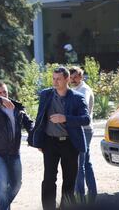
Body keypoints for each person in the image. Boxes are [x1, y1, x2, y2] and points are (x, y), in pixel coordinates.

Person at [28, 66, 90, 210]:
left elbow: (86, 119)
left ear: (67, 79)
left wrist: (65, 118)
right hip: (50, 143)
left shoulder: (77, 97)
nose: (55, 82)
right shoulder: (46, 95)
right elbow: (40, 118)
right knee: (49, 179)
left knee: (69, 180)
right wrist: (38, 140)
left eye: (59, 79)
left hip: (70, 143)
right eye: (53, 79)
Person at [0, 82, 34, 210]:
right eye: (0, 93)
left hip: (14, 152)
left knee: (17, 184)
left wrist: (36, 136)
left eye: (5, 92)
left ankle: (4, 206)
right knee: (2, 184)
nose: (4, 95)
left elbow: (29, 124)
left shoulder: (17, 107)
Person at [69, 67, 97, 204]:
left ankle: (80, 196)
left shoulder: (84, 90)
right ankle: (92, 193)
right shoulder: (75, 89)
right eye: (71, 77)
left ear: (81, 76)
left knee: (79, 163)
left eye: (75, 77)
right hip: (81, 129)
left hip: (83, 129)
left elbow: (81, 108)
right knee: (86, 162)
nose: (72, 80)